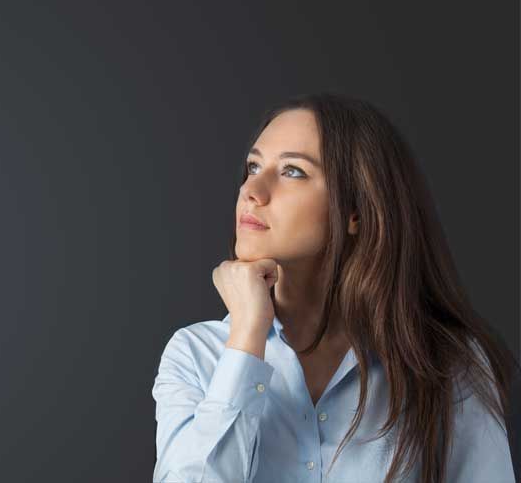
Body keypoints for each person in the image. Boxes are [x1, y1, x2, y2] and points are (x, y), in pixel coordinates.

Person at [151, 92, 519, 483]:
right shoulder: (195, 355)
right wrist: (246, 336)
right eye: (253, 166)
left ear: (356, 212)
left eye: (293, 171)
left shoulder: (446, 362)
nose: (252, 191)